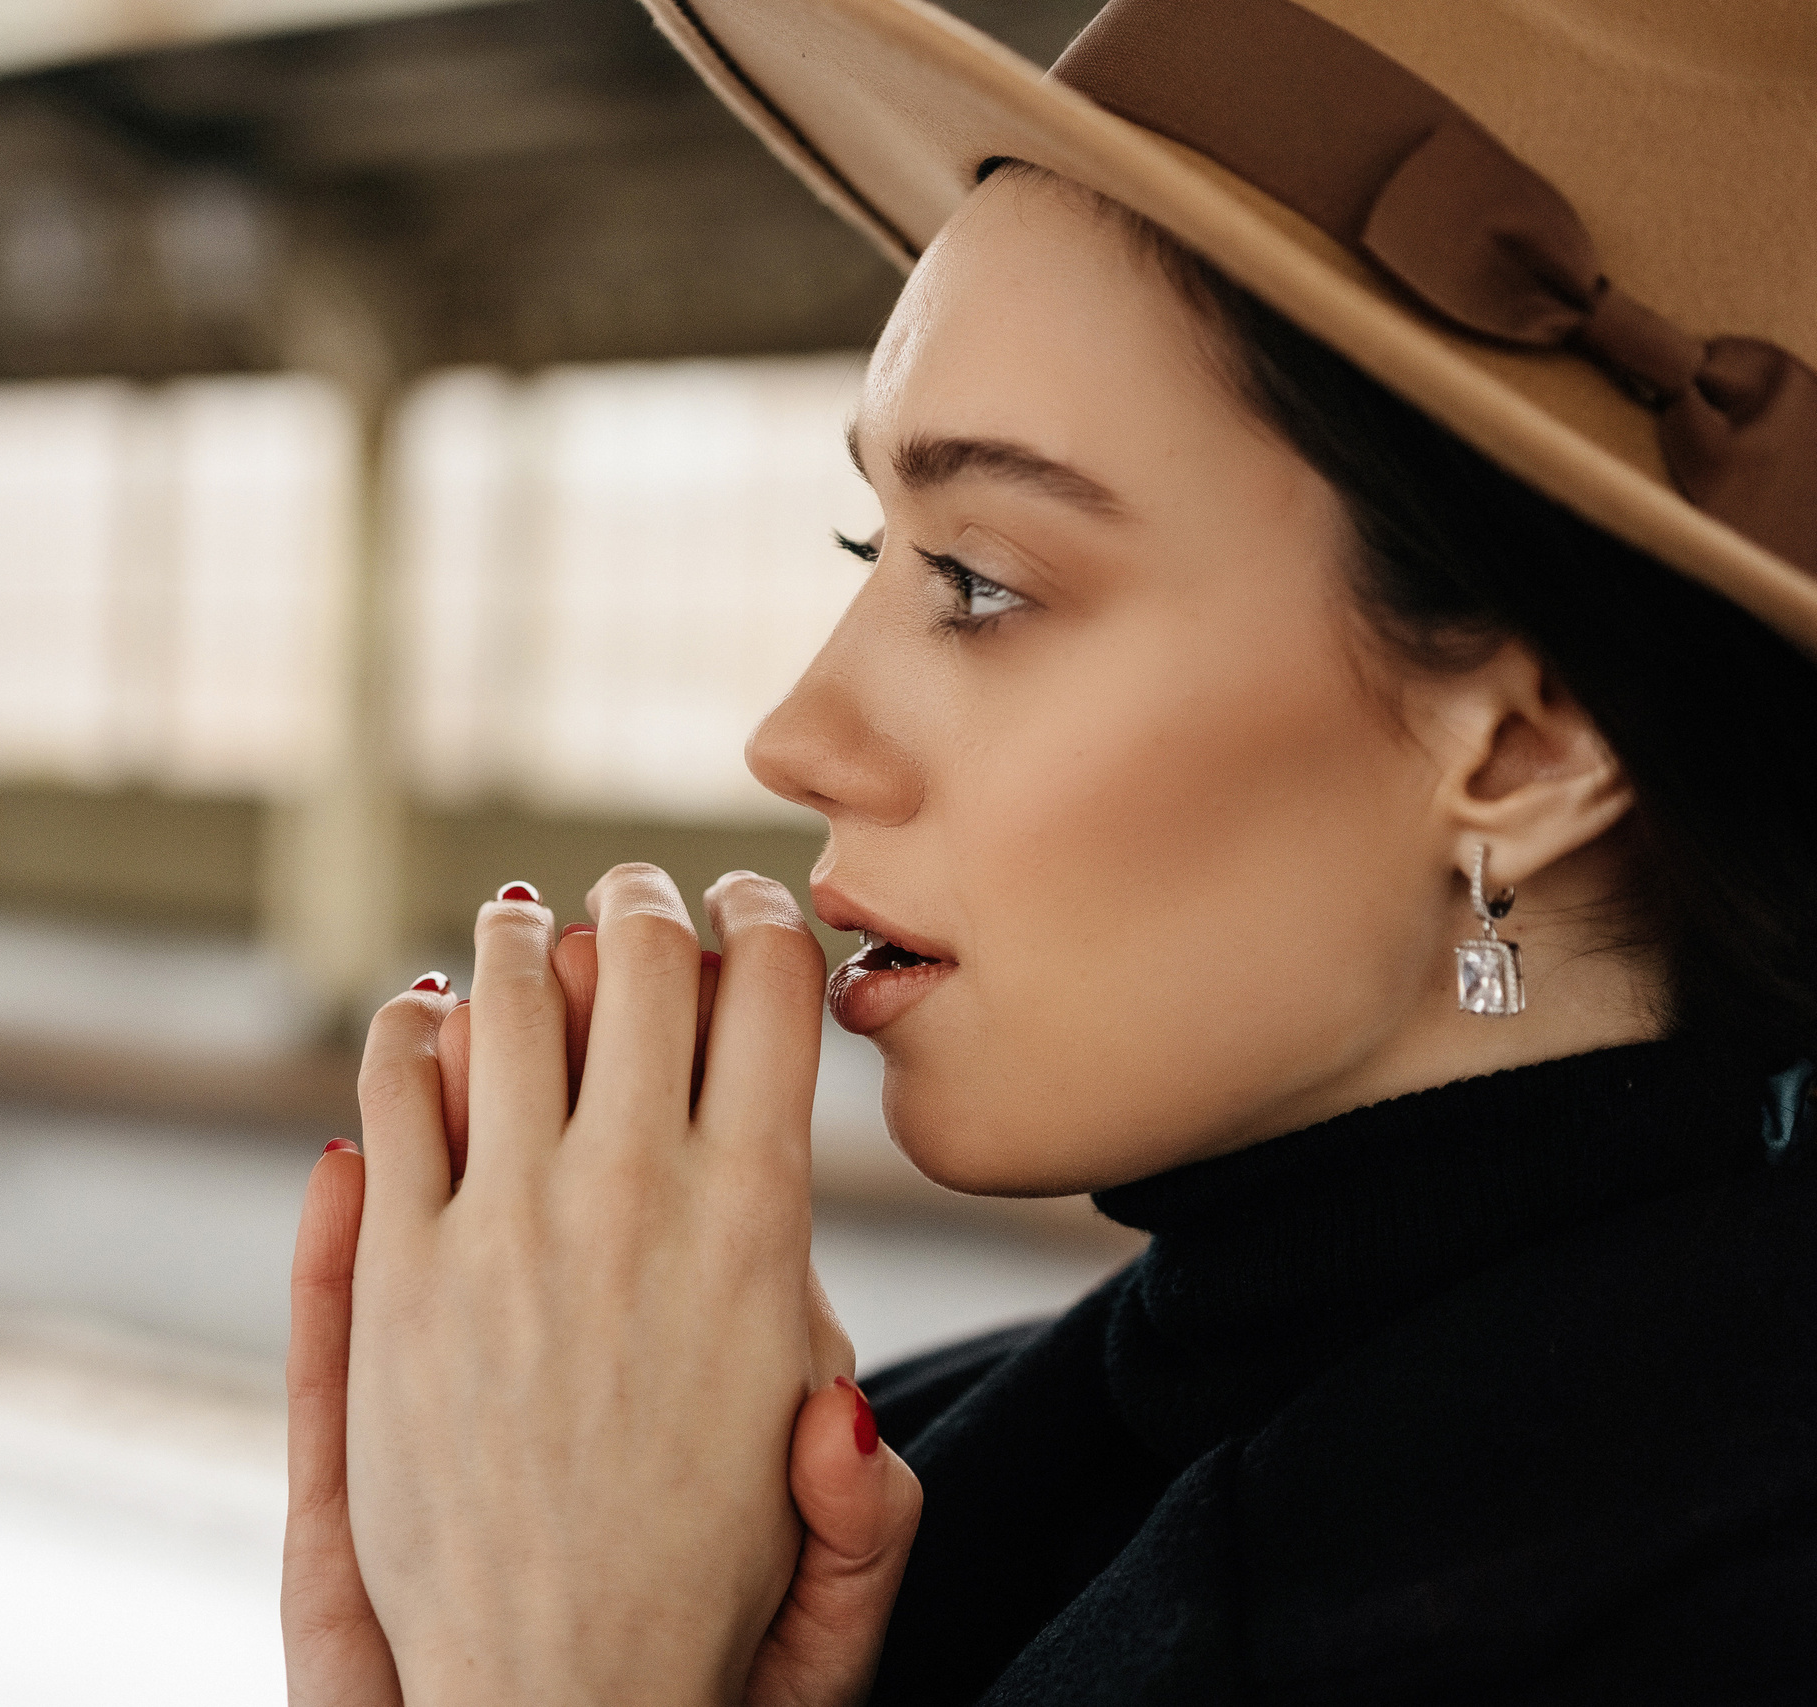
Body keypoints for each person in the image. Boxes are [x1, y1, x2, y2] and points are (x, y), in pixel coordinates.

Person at [282, 0, 1817, 1699]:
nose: (797, 737)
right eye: (875, 542)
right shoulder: (847, 1497)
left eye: (979, 583)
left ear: (1525, 751)